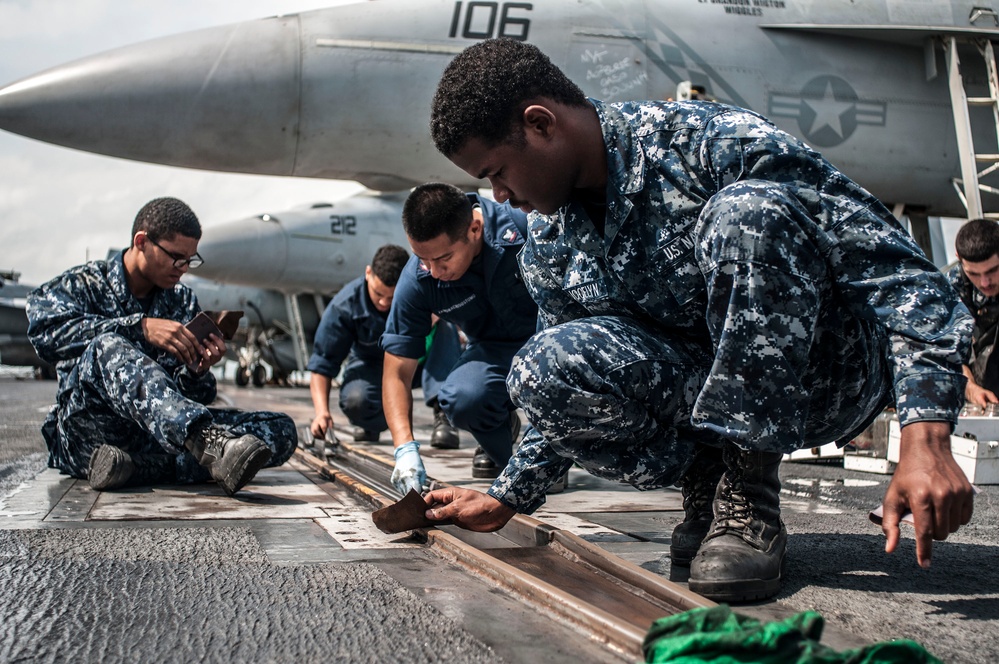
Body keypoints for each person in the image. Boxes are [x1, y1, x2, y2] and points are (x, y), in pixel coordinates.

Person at [421, 38, 976, 602]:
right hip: (708, 393)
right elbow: (556, 385)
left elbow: (897, 272)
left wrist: (924, 434)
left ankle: (747, 494)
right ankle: (710, 488)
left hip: (829, 377)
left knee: (748, 213)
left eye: (498, 173)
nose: (500, 197)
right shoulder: (547, 241)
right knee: (543, 365)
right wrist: (507, 495)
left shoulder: (705, 141)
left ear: (540, 124)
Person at [26, 197, 297, 495]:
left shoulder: (181, 301)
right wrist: (140, 328)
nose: (183, 268)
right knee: (109, 344)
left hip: (157, 436)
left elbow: (193, 396)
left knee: (279, 429)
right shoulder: (84, 284)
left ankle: (137, 468)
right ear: (142, 242)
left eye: (191, 260)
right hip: (91, 431)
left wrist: (198, 370)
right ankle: (205, 447)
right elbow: (43, 334)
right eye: (176, 257)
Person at [382, 183, 539, 494]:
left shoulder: (525, 226)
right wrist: (404, 448)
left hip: (551, 340)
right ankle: (511, 451)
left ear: (475, 229)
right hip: (494, 349)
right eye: (423, 259)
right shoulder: (418, 280)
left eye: (444, 259)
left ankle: (552, 447)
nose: (434, 271)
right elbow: (397, 370)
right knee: (462, 398)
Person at [307, 244, 461, 445]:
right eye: (378, 294)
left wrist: (434, 315)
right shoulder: (344, 306)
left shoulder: (424, 288)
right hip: (373, 367)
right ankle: (373, 422)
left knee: (446, 322)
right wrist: (322, 412)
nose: (384, 303)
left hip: (417, 362)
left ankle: (445, 415)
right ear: (368, 273)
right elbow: (322, 362)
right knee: (356, 401)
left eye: (392, 297)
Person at [946, 218, 999, 407]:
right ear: (958, 258)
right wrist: (970, 389)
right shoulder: (954, 286)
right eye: (974, 274)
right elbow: (949, 349)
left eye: (993, 271)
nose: (985, 283)